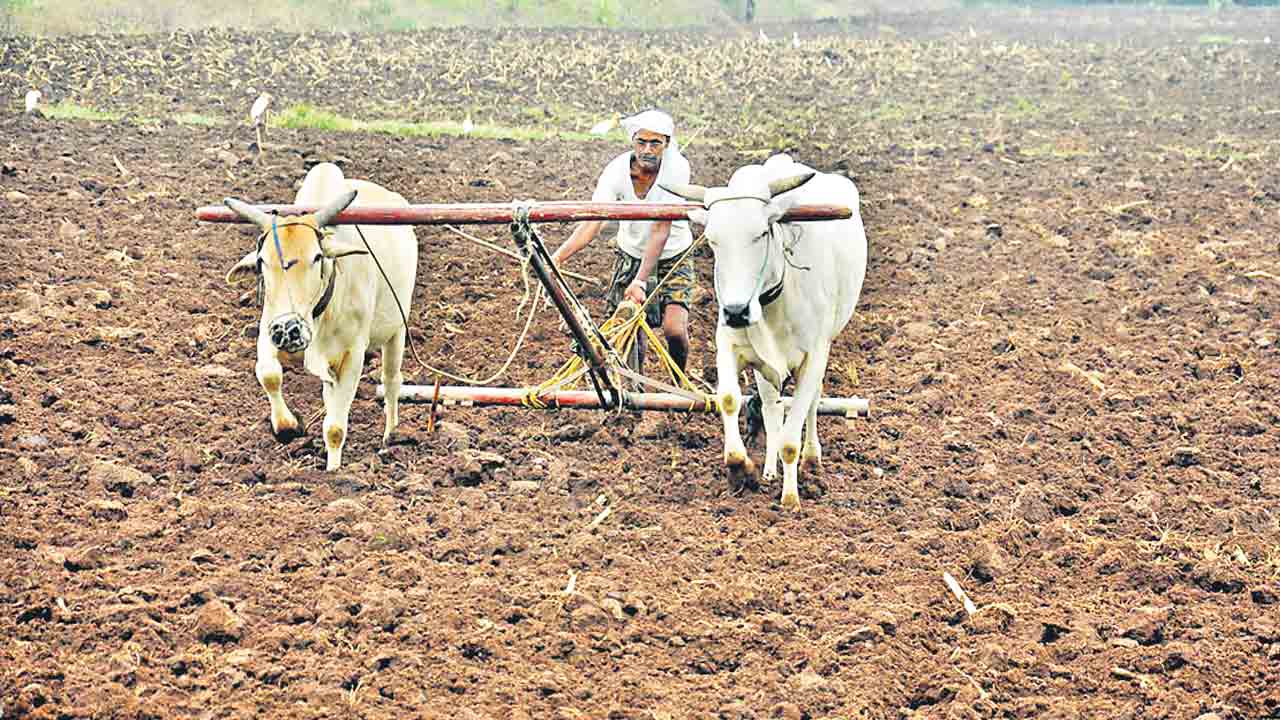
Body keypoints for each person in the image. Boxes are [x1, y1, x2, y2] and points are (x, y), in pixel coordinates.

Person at [550, 109, 697, 378]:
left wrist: (640, 281)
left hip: (673, 256)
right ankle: (634, 393)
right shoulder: (617, 171)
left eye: (655, 143)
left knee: (675, 330)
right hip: (630, 255)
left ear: (667, 144)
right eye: (641, 142)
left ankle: (679, 381)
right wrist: (557, 258)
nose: (647, 149)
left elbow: (661, 229)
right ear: (633, 142)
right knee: (629, 328)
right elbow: (595, 221)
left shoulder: (677, 168)